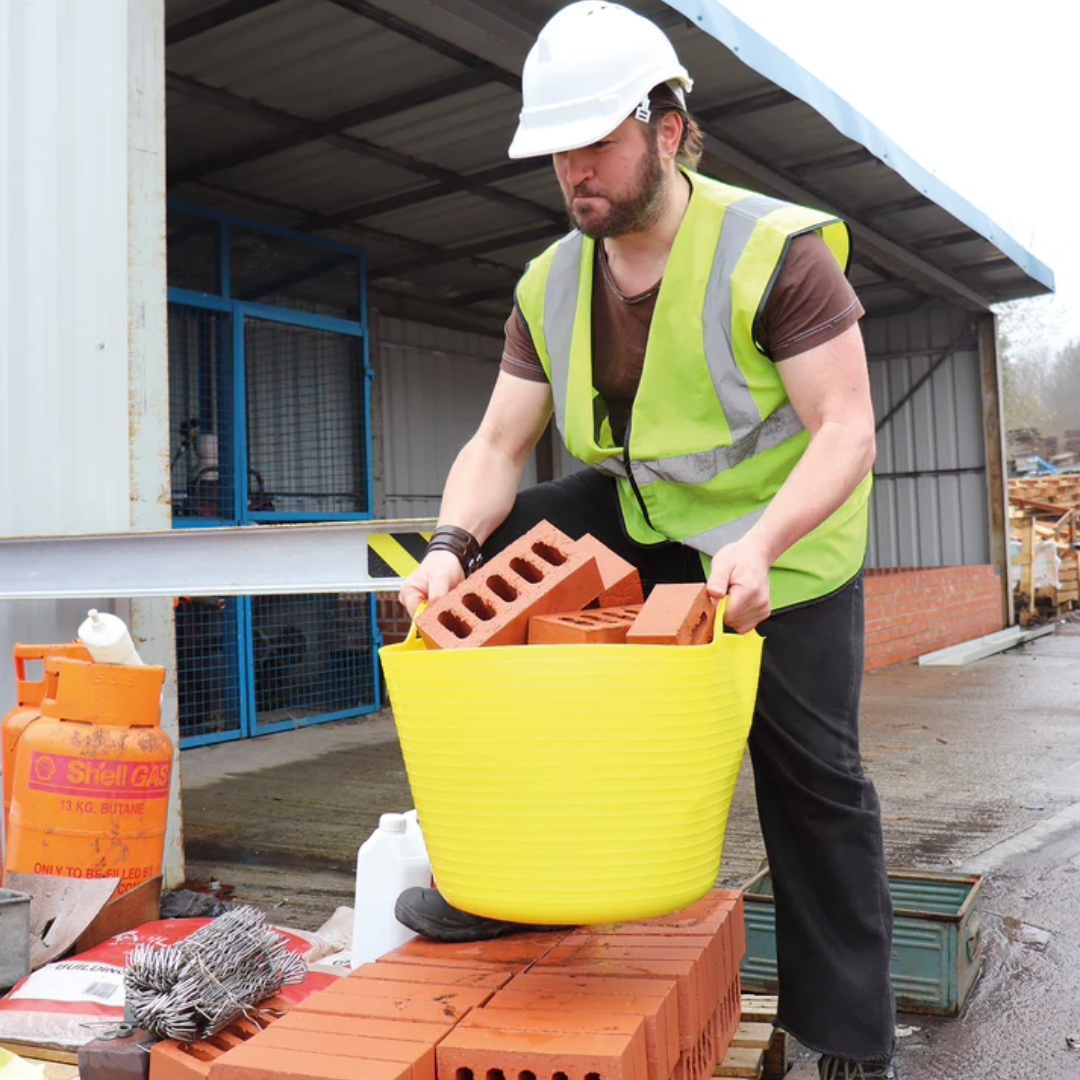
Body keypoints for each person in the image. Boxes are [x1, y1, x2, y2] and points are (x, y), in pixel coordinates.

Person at [393, 4, 896, 1077]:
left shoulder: (776, 254)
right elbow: (495, 441)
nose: (576, 171)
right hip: (646, 518)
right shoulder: (550, 282)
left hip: (786, 546)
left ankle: (849, 1036)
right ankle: (498, 884)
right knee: (483, 574)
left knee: (813, 774)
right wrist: (446, 547)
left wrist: (759, 546)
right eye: (559, 152)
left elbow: (847, 430)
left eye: (597, 144)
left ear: (667, 130)